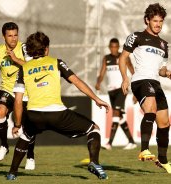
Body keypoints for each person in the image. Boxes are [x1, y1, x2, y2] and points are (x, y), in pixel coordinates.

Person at [6, 31, 109, 180]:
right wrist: (96, 98)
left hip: (34, 114)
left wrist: (17, 123)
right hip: (57, 114)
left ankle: (12, 173)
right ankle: (94, 162)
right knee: (93, 129)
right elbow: (77, 82)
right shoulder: (56, 62)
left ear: (29, 50)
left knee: (26, 135)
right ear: (46, 48)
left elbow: (17, 100)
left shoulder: (24, 68)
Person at [119, 3, 171, 174]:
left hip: (156, 82)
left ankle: (163, 160)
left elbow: (161, 68)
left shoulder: (164, 45)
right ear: (147, 20)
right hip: (140, 80)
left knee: (164, 122)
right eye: (155, 21)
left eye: (161, 21)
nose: (158, 24)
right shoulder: (136, 37)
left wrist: (167, 73)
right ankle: (144, 149)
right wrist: (125, 79)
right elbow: (122, 58)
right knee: (150, 108)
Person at [0, 22, 36, 169]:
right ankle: (4, 146)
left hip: (25, 91)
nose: (13, 38)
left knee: (28, 124)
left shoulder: (24, 48)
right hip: (8, 89)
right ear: (3, 36)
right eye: (10, 35)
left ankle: (30, 155)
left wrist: (15, 59)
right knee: (0, 111)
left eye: (15, 35)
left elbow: (32, 66)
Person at [95, 38, 137, 150]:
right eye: (112, 47)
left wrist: (136, 92)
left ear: (119, 47)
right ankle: (132, 142)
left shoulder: (124, 58)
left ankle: (109, 143)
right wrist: (98, 82)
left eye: (116, 47)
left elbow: (134, 73)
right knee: (119, 116)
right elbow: (102, 73)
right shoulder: (106, 58)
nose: (114, 49)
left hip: (121, 89)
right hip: (111, 90)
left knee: (115, 113)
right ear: (109, 47)